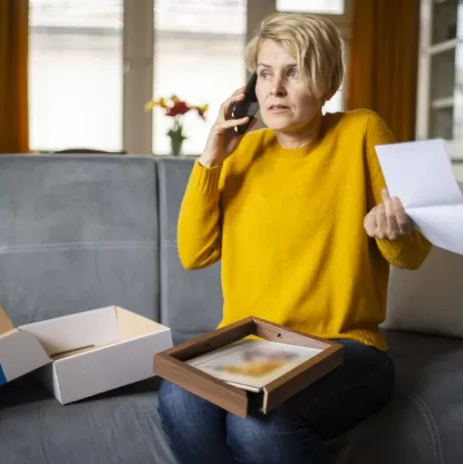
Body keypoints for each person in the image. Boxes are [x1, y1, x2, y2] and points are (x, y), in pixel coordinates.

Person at [157, 11, 432, 464]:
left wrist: (394, 230)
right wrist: (210, 160)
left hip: (345, 347)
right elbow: (193, 253)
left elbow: (414, 254)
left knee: (260, 420)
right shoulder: (243, 151)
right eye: (265, 74)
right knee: (178, 397)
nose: (275, 89)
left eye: (293, 72)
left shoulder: (361, 131)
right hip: (253, 348)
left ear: (325, 82)